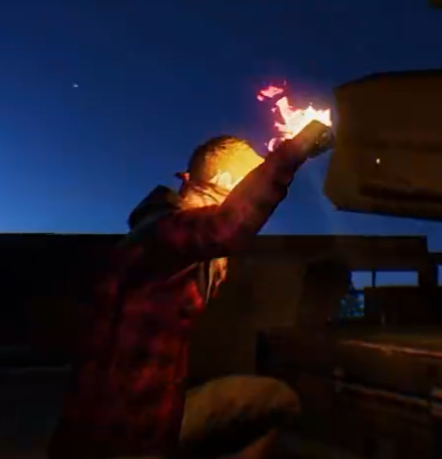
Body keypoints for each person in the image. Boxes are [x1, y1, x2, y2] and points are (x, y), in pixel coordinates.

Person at [48, 123, 333, 459]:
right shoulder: (162, 234)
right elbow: (227, 226)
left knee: (272, 397)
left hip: (147, 422)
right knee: (277, 402)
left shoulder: (165, 242)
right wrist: (294, 150)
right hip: (124, 438)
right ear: (228, 184)